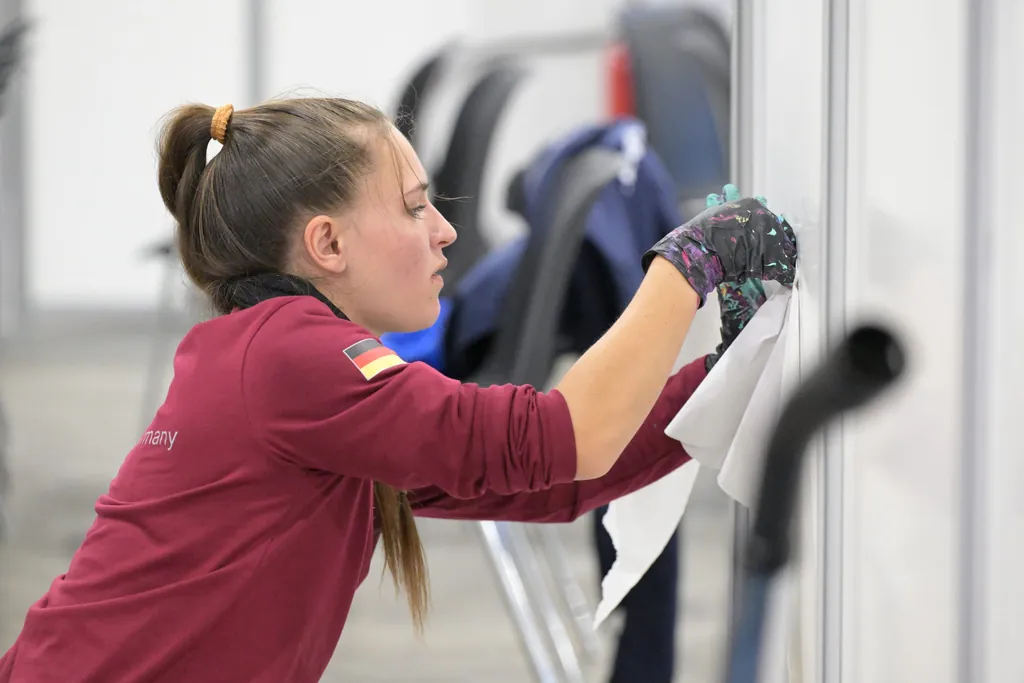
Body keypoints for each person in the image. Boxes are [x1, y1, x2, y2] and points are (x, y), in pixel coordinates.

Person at [0, 97, 797, 683]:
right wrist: (690, 263)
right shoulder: (291, 359)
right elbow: (566, 437)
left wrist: (719, 373)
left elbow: (560, 478)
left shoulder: (275, 358)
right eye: (416, 208)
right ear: (328, 242)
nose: (446, 231)